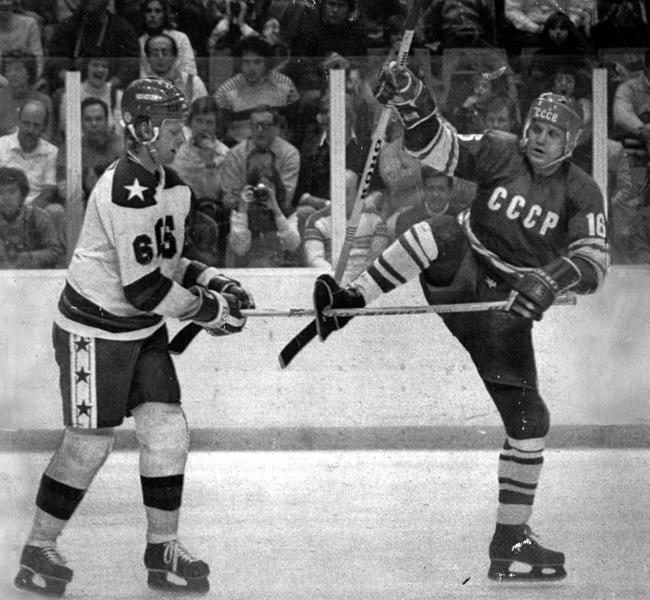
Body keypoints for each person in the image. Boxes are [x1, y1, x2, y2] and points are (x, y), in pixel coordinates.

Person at [311, 63, 608, 581]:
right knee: (443, 228)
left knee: (529, 423)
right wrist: (413, 100)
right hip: (462, 272)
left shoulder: (583, 192)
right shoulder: (499, 149)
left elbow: (595, 261)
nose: (538, 139)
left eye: (551, 133)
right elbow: (439, 147)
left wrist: (549, 280)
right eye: (534, 129)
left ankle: (508, 539)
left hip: (504, 314)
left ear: (571, 140)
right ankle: (352, 297)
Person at [13, 77, 255, 596]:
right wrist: (209, 313)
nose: (183, 135)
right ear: (145, 128)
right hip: (93, 331)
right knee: (87, 445)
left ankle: (161, 547)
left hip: (139, 330)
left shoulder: (171, 185)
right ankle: (38, 547)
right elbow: (144, 287)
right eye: (173, 125)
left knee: (168, 429)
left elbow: (166, 263)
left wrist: (215, 281)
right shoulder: (126, 188)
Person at [213, 36, 299, 146]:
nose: (251, 68)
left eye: (257, 62)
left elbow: (294, 127)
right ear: (239, 64)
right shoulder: (225, 92)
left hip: (278, 151)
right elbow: (221, 134)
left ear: (266, 63)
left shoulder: (285, 84)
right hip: (240, 152)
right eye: (246, 63)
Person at [46, 0, 140, 93]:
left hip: (110, 89)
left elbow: (130, 65)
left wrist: (109, 86)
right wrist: (70, 82)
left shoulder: (122, 28)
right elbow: (56, 60)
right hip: (74, 89)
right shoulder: (67, 26)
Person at [56, 97, 123, 204]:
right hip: (80, 204)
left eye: (99, 119)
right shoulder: (70, 148)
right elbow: (62, 182)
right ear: (81, 123)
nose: (94, 124)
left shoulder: (119, 145)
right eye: (88, 119)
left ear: (106, 121)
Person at [0, 166, 64, 268]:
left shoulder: (39, 217)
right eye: (1, 193)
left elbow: (55, 252)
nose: (6, 198)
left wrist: (23, 258)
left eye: (12, 192)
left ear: (22, 195)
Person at [143, 33, 208, 107]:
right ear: (147, 59)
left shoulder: (193, 82)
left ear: (175, 56)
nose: (160, 57)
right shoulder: (142, 86)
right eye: (154, 54)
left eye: (165, 53)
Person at [139, 0, 198, 78]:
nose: (152, 15)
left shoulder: (181, 38)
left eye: (158, 11)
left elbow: (190, 70)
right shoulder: (140, 42)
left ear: (164, 14)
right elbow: (142, 73)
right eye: (148, 11)